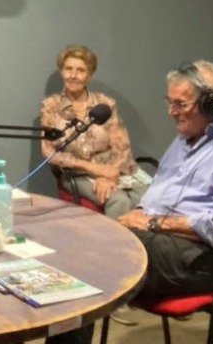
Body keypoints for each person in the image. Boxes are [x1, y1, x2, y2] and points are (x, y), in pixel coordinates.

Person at [34, 60, 213, 344]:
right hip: (165, 245)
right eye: (169, 102)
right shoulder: (185, 140)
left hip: (208, 258)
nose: (171, 112)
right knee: (86, 242)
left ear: (212, 104)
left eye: (181, 104)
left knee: (93, 259)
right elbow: (154, 199)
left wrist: (150, 223)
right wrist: (130, 218)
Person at [40, 45, 149, 220]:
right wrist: (93, 168)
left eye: (80, 70)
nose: (73, 75)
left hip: (116, 169)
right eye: (68, 69)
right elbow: (48, 152)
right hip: (79, 174)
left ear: (89, 74)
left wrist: (109, 175)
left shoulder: (105, 104)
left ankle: (145, 237)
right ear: (61, 71)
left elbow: (121, 146)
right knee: (118, 200)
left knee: (151, 196)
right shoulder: (51, 106)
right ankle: (115, 239)